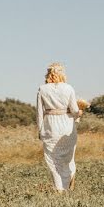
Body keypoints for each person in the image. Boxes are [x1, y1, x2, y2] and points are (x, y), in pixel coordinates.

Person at [36, 62, 83, 191]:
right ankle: (69, 181)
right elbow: (74, 110)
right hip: (67, 124)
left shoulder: (42, 89)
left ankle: (59, 189)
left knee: (53, 159)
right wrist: (79, 113)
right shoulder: (68, 88)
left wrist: (40, 130)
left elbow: (40, 112)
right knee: (68, 158)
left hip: (50, 125)